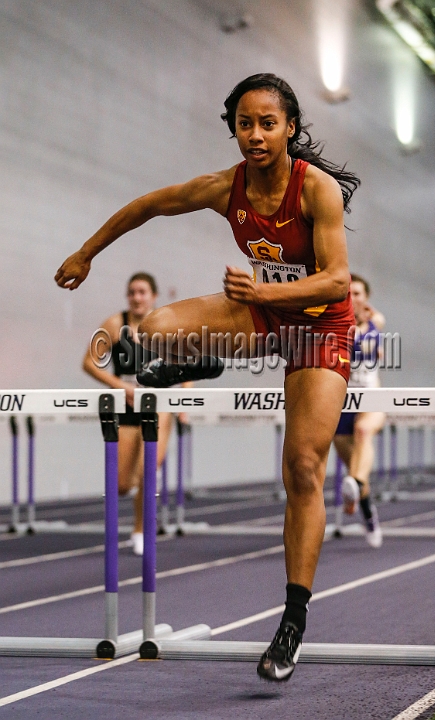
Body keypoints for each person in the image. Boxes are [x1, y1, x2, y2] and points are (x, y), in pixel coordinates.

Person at [55, 73, 360, 682]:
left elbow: (336, 281)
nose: (255, 135)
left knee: (302, 465)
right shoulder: (226, 188)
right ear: (234, 130)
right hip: (263, 311)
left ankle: (292, 620)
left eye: (267, 123)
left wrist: (266, 290)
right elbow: (147, 206)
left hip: (321, 326)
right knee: (156, 328)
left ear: (290, 128)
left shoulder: (316, 191)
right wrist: (87, 252)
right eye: (244, 124)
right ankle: (208, 360)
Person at [82, 272, 178, 556]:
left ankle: (141, 528)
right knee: (123, 483)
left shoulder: (167, 323)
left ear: (153, 296)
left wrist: (184, 400)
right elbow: (89, 362)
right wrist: (120, 385)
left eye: (142, 292)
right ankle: (143, 496)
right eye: (132, 292)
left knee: (148, 469)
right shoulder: (114, 324)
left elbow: (184, 360)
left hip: (159, 403)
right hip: (126, 404)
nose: (137, 297)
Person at [333, 273, 384, 548]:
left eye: (358, 293)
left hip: (371, 397)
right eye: (348, 293)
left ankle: (353, 485)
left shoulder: (375, 322)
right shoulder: (336, 325)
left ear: (366, 298)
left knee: (364, 432)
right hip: (342, 403)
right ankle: (366, 508)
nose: (353, 298)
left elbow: (379, 323)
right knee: (355, 467)